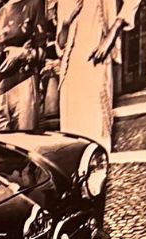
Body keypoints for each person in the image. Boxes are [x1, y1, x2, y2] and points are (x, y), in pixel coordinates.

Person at [57, 0, 138, 146]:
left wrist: (113, 31)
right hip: (70, 73)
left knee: (97, 138)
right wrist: (65, 23)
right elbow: (61, 45)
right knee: (71, 143)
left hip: (95, 63)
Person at [0, 0, 53, 132]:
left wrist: (21, 53)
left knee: (24, 137)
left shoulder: (34, 4)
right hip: (2, 87)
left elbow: (41, 53)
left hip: (24, 81)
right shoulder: (0, 13)